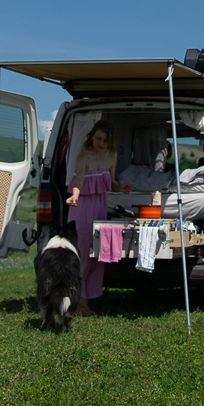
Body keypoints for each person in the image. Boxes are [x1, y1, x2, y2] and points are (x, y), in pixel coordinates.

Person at [66, 120, 133, 317]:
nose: (101, 143)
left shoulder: (111, 156)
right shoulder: (84, 155)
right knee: (83, 253)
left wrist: (120, 188)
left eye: (105, 140)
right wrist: (75, 195)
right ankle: (76, 302)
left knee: (97, 253)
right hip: (83, 206)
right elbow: (78, 179)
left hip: (99, 206)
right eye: (98, 138)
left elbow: (109, 183)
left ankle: (85, 302)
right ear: (92, 137)